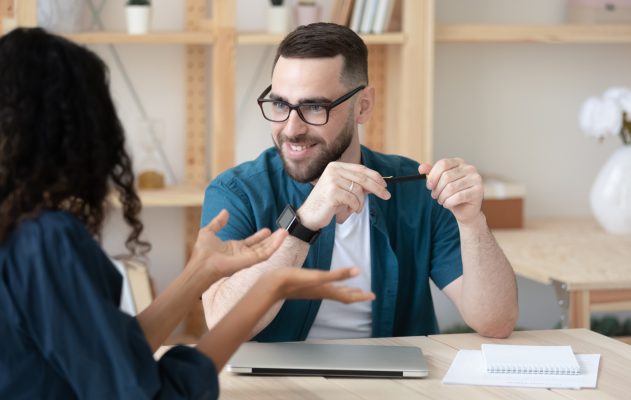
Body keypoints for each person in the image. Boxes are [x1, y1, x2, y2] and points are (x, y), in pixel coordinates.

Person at [0, 28, 375, 399]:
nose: (292, 127)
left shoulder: (18, 231)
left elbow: (115, 354)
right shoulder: (45, 240)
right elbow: (149, 392)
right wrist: (266, 289)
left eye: (314, 106)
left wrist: (200, 272)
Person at [201, 22, 518, 342]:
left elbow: (496, 322)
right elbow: (223, 324)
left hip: (394, 387)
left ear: (363, 105)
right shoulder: (236, 192)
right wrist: (305, 223)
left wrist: (472, 222)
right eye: (281, 104)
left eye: (314, 107)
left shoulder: (416, 189)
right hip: (278, 388)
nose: (291, 129)